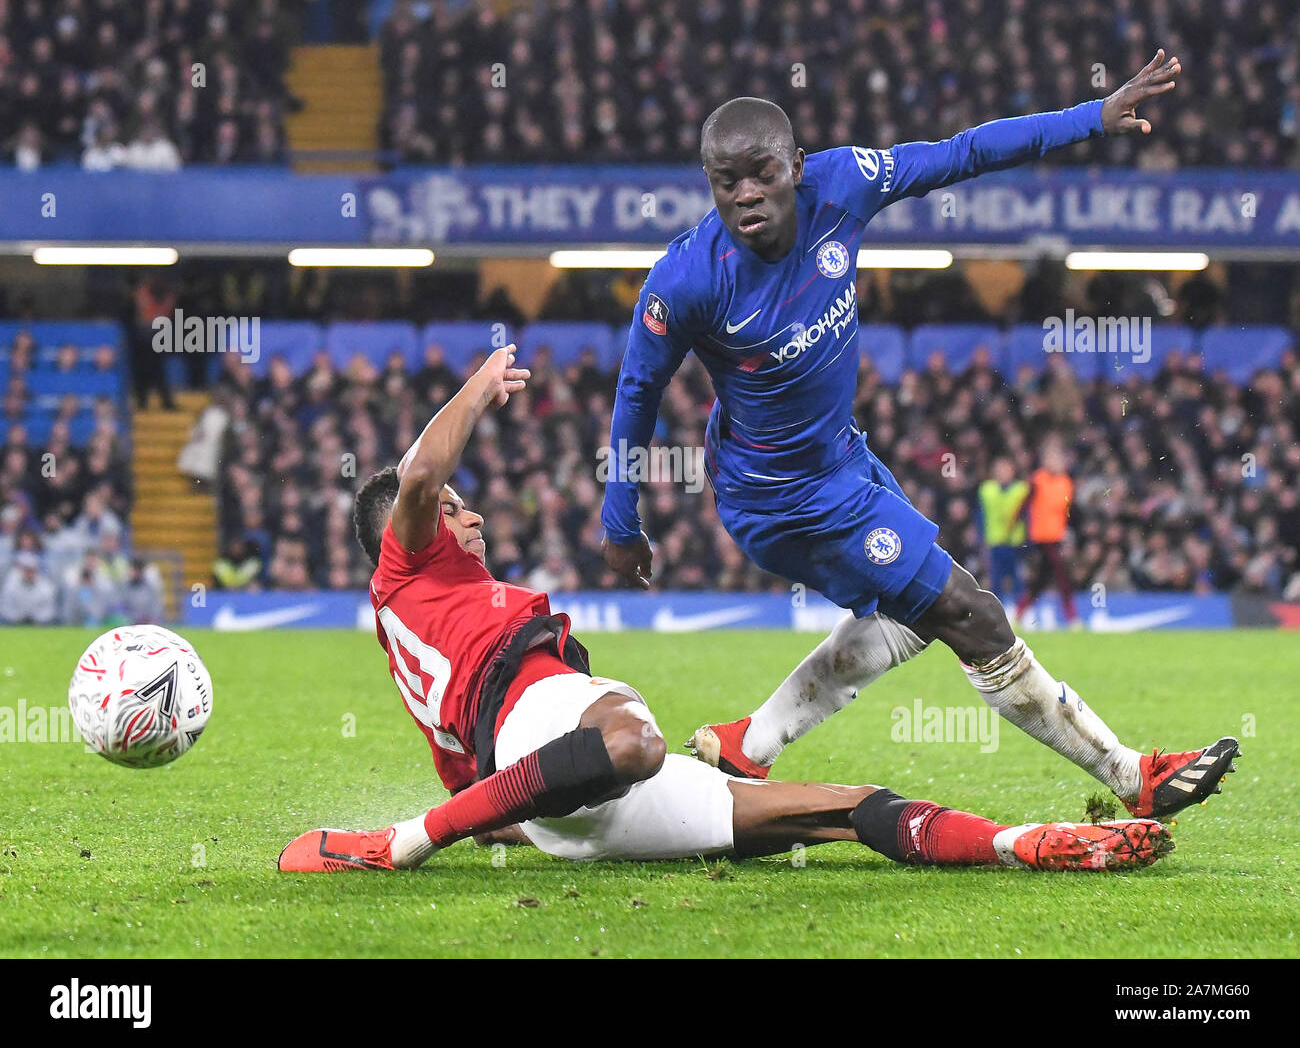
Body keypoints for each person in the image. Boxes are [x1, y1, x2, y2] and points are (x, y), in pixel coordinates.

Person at [599, 52, 1239, 820]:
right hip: (780, 499)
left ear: (796, 166)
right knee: (972, 614)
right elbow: (637, 390)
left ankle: (748, 748)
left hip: (843, 459)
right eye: (723, 180)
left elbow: (962, 152)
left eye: (760, 173)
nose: (744, 195)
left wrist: (1090, 118)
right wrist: (620, 521)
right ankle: (1133, 776)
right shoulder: (687, 280)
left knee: (915, 621)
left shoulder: (844, 184)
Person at [279, 348, 1174, 874]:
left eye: (462, 509)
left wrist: (515, 818)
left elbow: (484, 794)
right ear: (401, 535)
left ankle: (1029, 843)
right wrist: (476, 387)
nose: (465, 514)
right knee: (634, 737)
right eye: (450, 513)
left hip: (574, 807)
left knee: (837, 811)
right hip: (559, 724)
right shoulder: (402, 571)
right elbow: (420, 475)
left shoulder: (423, 638)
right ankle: (399, 843)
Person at [1015, 444, 1080, 627]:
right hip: (1043, 537)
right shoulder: (1038, 480)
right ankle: (1072, 617)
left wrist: (1069, 530)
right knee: (1062, 577)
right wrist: (1016, 524)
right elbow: (1024, 504)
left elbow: (1069, 511)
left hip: (1057, 537)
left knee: (1040, 581)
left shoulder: (1066, 483)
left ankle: (1019, 613)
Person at [978, 457, 1028, 605]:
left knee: (1018, 579)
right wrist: (982, 540)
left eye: (1005, 469)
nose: (1002, 473)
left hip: (1016, 543)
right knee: (995, 581)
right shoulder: (986, 490)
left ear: (1012, 471)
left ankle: (1021, 611)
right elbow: (980, 516)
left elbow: (1027, 516)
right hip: (995, 542)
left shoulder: (1021, 489)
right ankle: (998, 611)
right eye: (999, 470)